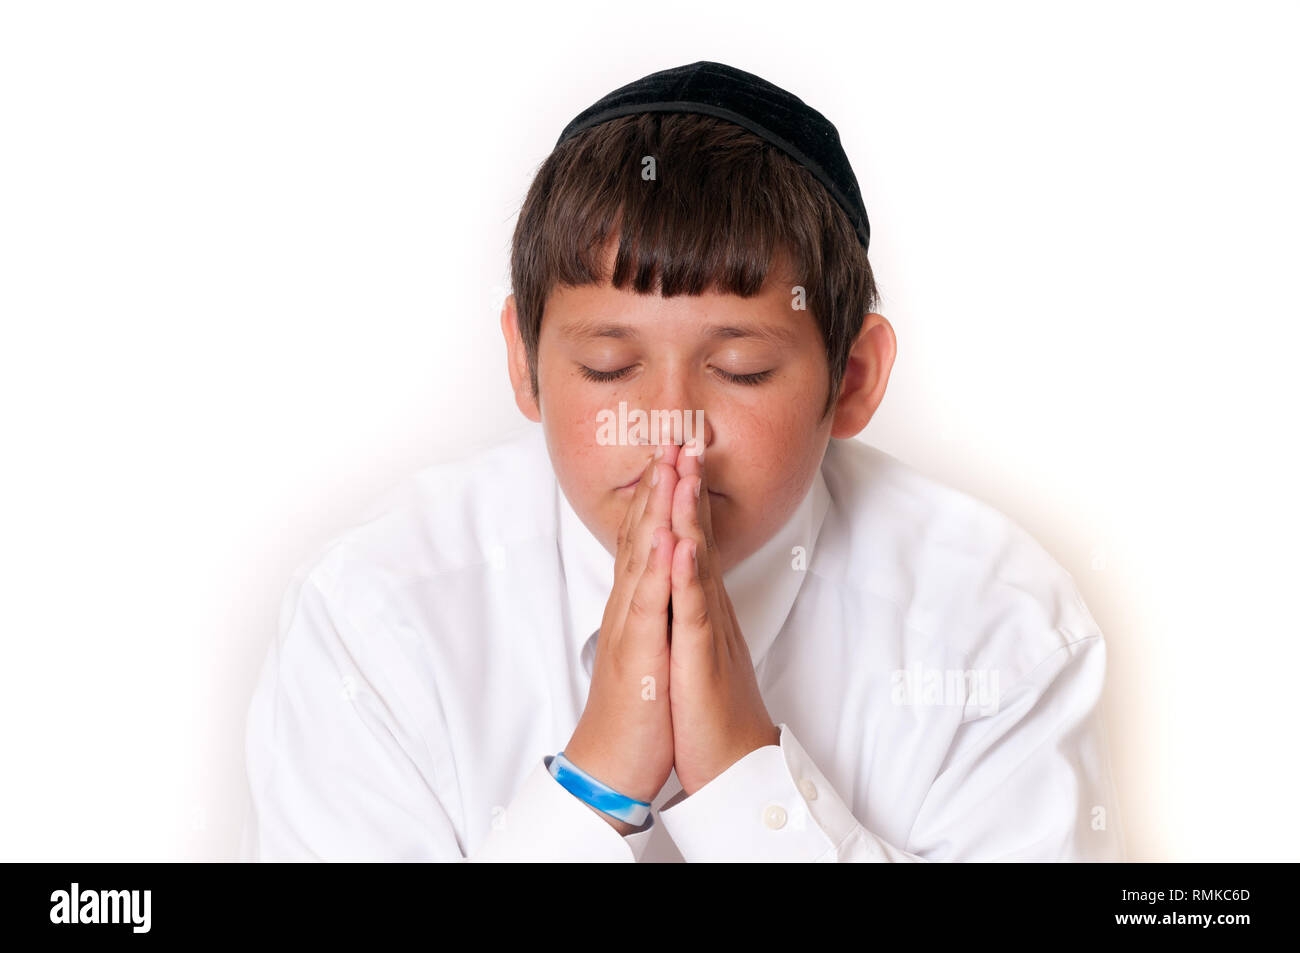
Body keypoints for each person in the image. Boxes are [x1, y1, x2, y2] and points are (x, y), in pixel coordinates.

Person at [239, 61, 1125, 862]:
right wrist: (594, 785)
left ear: (851, 379)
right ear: (524, 363)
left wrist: (748, 779)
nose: (668, 430)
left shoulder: (999, 633)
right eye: (608, 367)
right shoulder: (371, 620)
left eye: (740, 369)